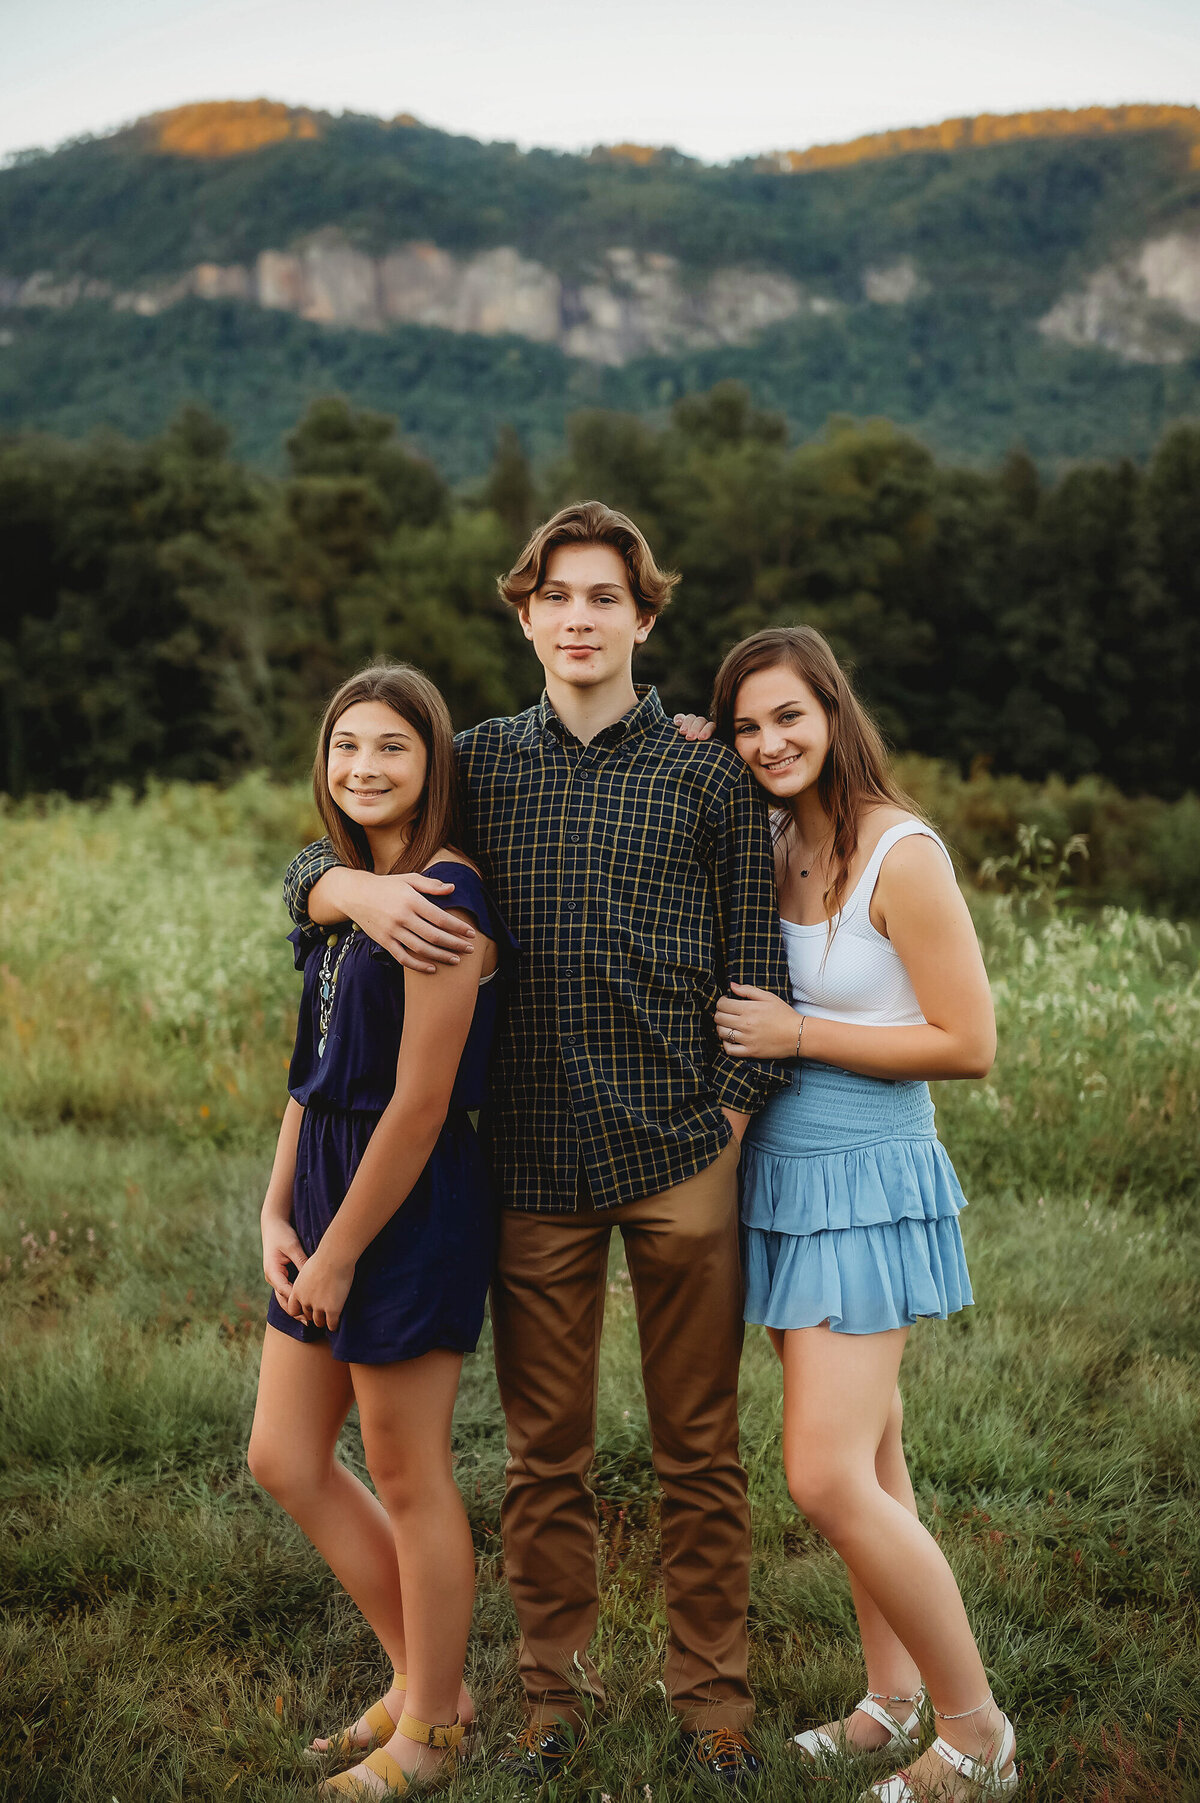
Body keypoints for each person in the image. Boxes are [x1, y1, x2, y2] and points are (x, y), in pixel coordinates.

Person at [282, 502, 790, 1787]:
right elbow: (340, 839)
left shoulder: (707, 773)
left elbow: (752, 960)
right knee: (544, 1459)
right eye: (555, 596)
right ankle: (552, 1697)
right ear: (524, 615)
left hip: (680, 1158)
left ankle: (713, 1707)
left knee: (699, 1453)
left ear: (644, 615)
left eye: (604, 597)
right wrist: (338, 888)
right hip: (530, 1171)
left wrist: (726, 1122)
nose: (578, 617)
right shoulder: (484, 765)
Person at [683, 626, 1017, 1801]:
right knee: (873, 1458)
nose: (770, 742)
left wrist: (800, 1033)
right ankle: (891, 1697)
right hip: (780, 1177)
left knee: (823, 1476)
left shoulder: (900, 852)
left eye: (790, 716)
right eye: (746, 725)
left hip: (867, 1182)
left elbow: (968, 1042)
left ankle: (976, 1738)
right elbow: (715, 763)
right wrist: (689, 742)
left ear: (834, 711)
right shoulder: (771, 831)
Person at [247, 663, 515, 1801]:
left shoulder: (446, 901)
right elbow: (314, 1072)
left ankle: (435, 1734)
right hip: (320, 1188)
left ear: (432, 764)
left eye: (391, 748)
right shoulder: (350, 887)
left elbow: (417, 1104)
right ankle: (423, 1682)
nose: (363, 766)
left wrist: (347, 1247)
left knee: (408, 1473)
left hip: (406, 1207)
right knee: (285, 1456)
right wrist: (277, 1205)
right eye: (346, 745)